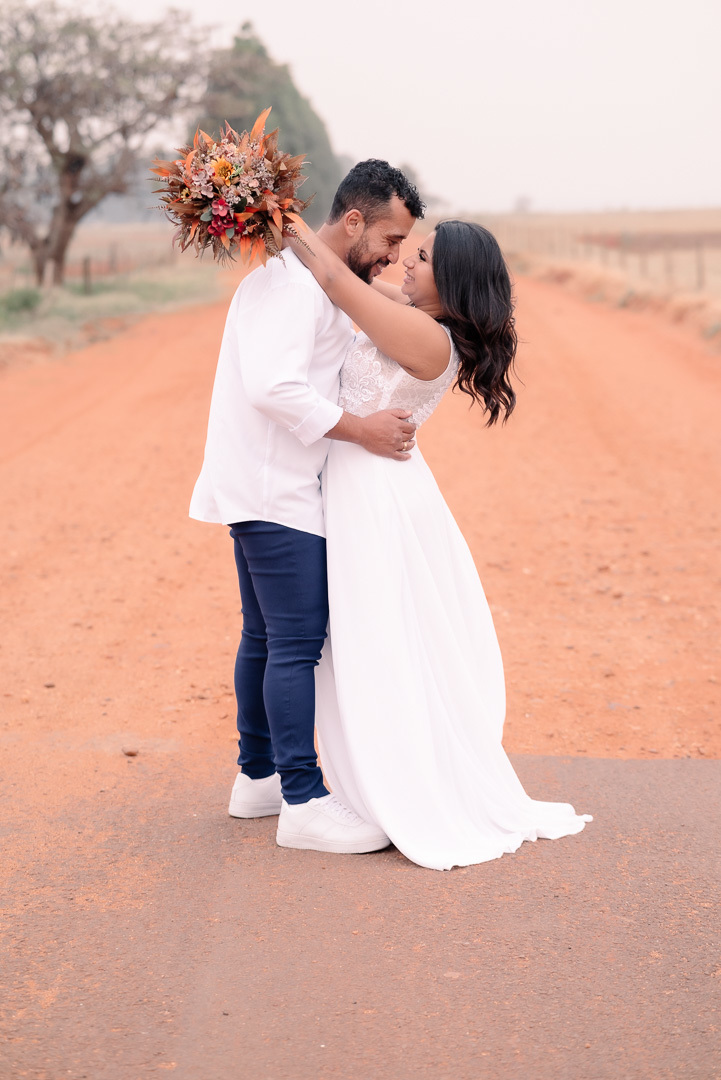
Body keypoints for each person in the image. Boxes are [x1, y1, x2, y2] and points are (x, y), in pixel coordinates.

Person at [285, 219, 593, 871]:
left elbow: (337, 280)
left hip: (374, 494)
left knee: (376, 637)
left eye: (421, 258)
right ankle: (370, 777)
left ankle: (395, 783)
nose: (406, 264)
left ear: (451, 283)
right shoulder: (409, 313)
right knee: (369, 637)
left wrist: (269, 211)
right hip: (366, 483)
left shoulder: (428, 337)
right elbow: (352, 280)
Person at [189, 161, 426, 854]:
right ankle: (301, 799)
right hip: (275, 487)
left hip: (268, 484)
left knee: (265, 637)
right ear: (351, 221)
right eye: (388, 238)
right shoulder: (290, 286)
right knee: (294, 643)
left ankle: (258, 778)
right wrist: (365, 431)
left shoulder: (316, 284)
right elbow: (274, 388)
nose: (391, 256)